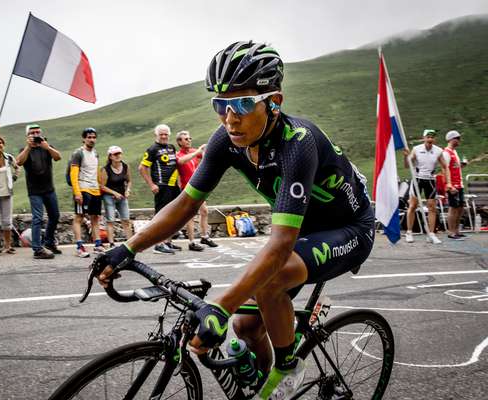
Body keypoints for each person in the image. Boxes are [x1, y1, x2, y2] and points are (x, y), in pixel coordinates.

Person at [97, 42, 375, 399]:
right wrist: (126, 247)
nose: (230, 118)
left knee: (269, 280)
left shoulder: (298, 143)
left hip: (349, 230)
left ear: (274, 102)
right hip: (304, 232)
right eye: (220, 105)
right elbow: (184, 205)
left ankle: (288, 368)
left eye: (242, 104)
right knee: (245, 326)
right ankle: (263, 389)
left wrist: (220, 307)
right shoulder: (225, 141)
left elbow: (279, 246)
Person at [16, 124, 62, 259]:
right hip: (35, 191)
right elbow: (19, 162)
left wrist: (47, 147)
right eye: (32, 133)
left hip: (49, 189)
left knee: (55, 216)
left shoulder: (46, 146)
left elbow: (58, 157)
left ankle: (48, 242)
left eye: (37, 132)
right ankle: (37, 249)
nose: (35, 134)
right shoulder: (25, 149)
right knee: (38, 218)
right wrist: (28, 147)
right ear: (27, 136)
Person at [402, 129, 452, 244]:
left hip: (430, 180)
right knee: (413, 205)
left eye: (432, 137)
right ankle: (409, 232)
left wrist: (448, 182)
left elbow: (445, 167)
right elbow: (406, 165)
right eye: (428, 137)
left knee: (432, 207)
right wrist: (406, 156)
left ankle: (431, 234)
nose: (430, 139)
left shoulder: (438, 151)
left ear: (434, 139)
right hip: (418, 179)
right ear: (424, 138)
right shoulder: (417, 149)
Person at [138, 124, 182, 254]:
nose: (163, 136)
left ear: (169, 135)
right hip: (162, 186)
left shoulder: (171, 147)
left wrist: (178, 182)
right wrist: (151, 184)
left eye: (166, 134)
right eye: (161, 134)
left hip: (173, 186)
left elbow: (175, 166)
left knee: (173, 215)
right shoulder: (152, 149)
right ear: (156, 135)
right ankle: (158, 245)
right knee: (161, 216)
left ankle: (168, 242)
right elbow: (142, 168)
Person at [176, 130, 218, 251]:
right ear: (179, 142)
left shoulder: (194, 151)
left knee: (204, 211)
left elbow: (206, 157)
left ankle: (204, 236)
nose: (189, 140)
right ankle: (191, 242)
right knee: (190, 215)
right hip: (187, 188)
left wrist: (204, 150)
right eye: (186, 139)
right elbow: (181, 161)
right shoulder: (179, 155)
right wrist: (198, 152)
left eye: (190, 138)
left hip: (198, 187)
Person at [70, 127, 105, 257]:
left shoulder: (95, 153)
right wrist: (77, 192)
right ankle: (79, 246)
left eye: (93, 137)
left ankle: (98, 244)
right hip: (83, 189)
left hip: (95, 189)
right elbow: (73, 174)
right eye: (89, 137)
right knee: (79, 217)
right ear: (83, 139)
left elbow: (95, 172)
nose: (91, 140)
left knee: (95, 218)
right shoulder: (78, 153)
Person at [99, 145, 133, 246]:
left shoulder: (125, 166)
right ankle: (111, 243)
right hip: (109, 197)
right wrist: (114, 193)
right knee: (110, 220)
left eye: (119, 153)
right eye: (115, 154)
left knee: (126, 219)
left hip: (122, 197)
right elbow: (102, 186)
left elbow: (129, 181)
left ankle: (131, 243)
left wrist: (128, 190)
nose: (118, 156)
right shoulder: (105, 169)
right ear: (110, 156)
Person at [442, 130, 466, 240]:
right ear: (452, 139)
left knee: (460, 207)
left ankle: (457, 230)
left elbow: (454, 166)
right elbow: (444, 169)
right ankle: (451, 232)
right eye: (457, 138)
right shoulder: (446, 152)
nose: (459, 140)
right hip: (453, 185)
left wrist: (461, 165)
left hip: (459, 184)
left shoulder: (454, 152)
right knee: (453, 208)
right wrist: (449, 184)